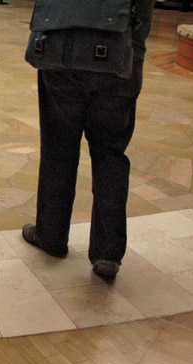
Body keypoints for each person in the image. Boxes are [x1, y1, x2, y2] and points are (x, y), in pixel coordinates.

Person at [22, 0, 156, 278]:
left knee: (58, 148)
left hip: (61, 50)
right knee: (111, 153)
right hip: (119, 55)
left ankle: (51, 235)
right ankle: (107, 254)